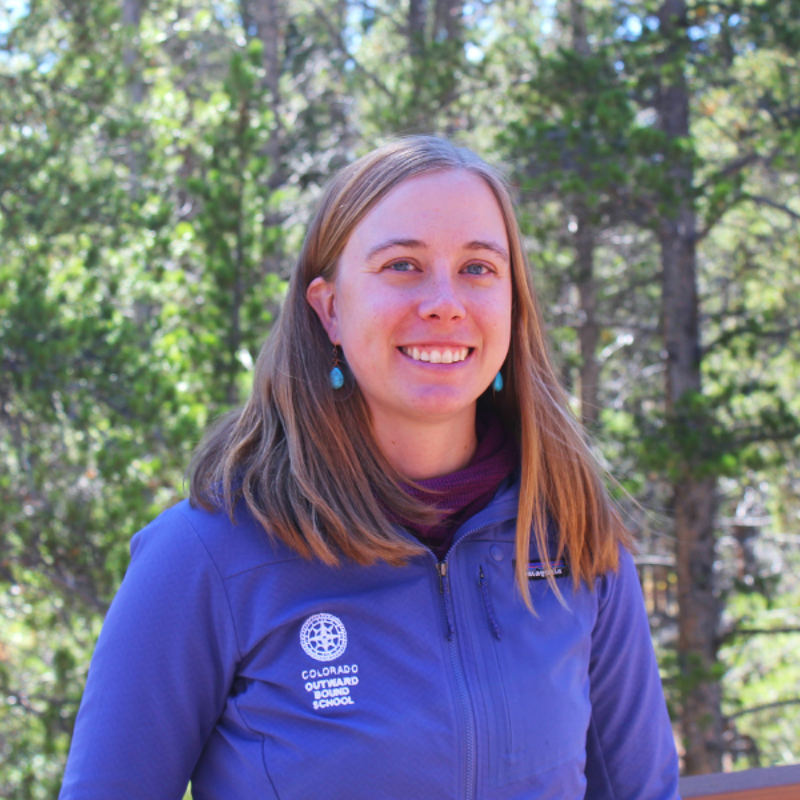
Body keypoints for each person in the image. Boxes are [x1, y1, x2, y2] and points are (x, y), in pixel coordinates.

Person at [59, 136, 680, 799]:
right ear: (328, 307)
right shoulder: (207, 557)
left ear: (513, 304)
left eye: (478, 268)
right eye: (403, 265)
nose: (446, 302)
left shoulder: (573, 538)